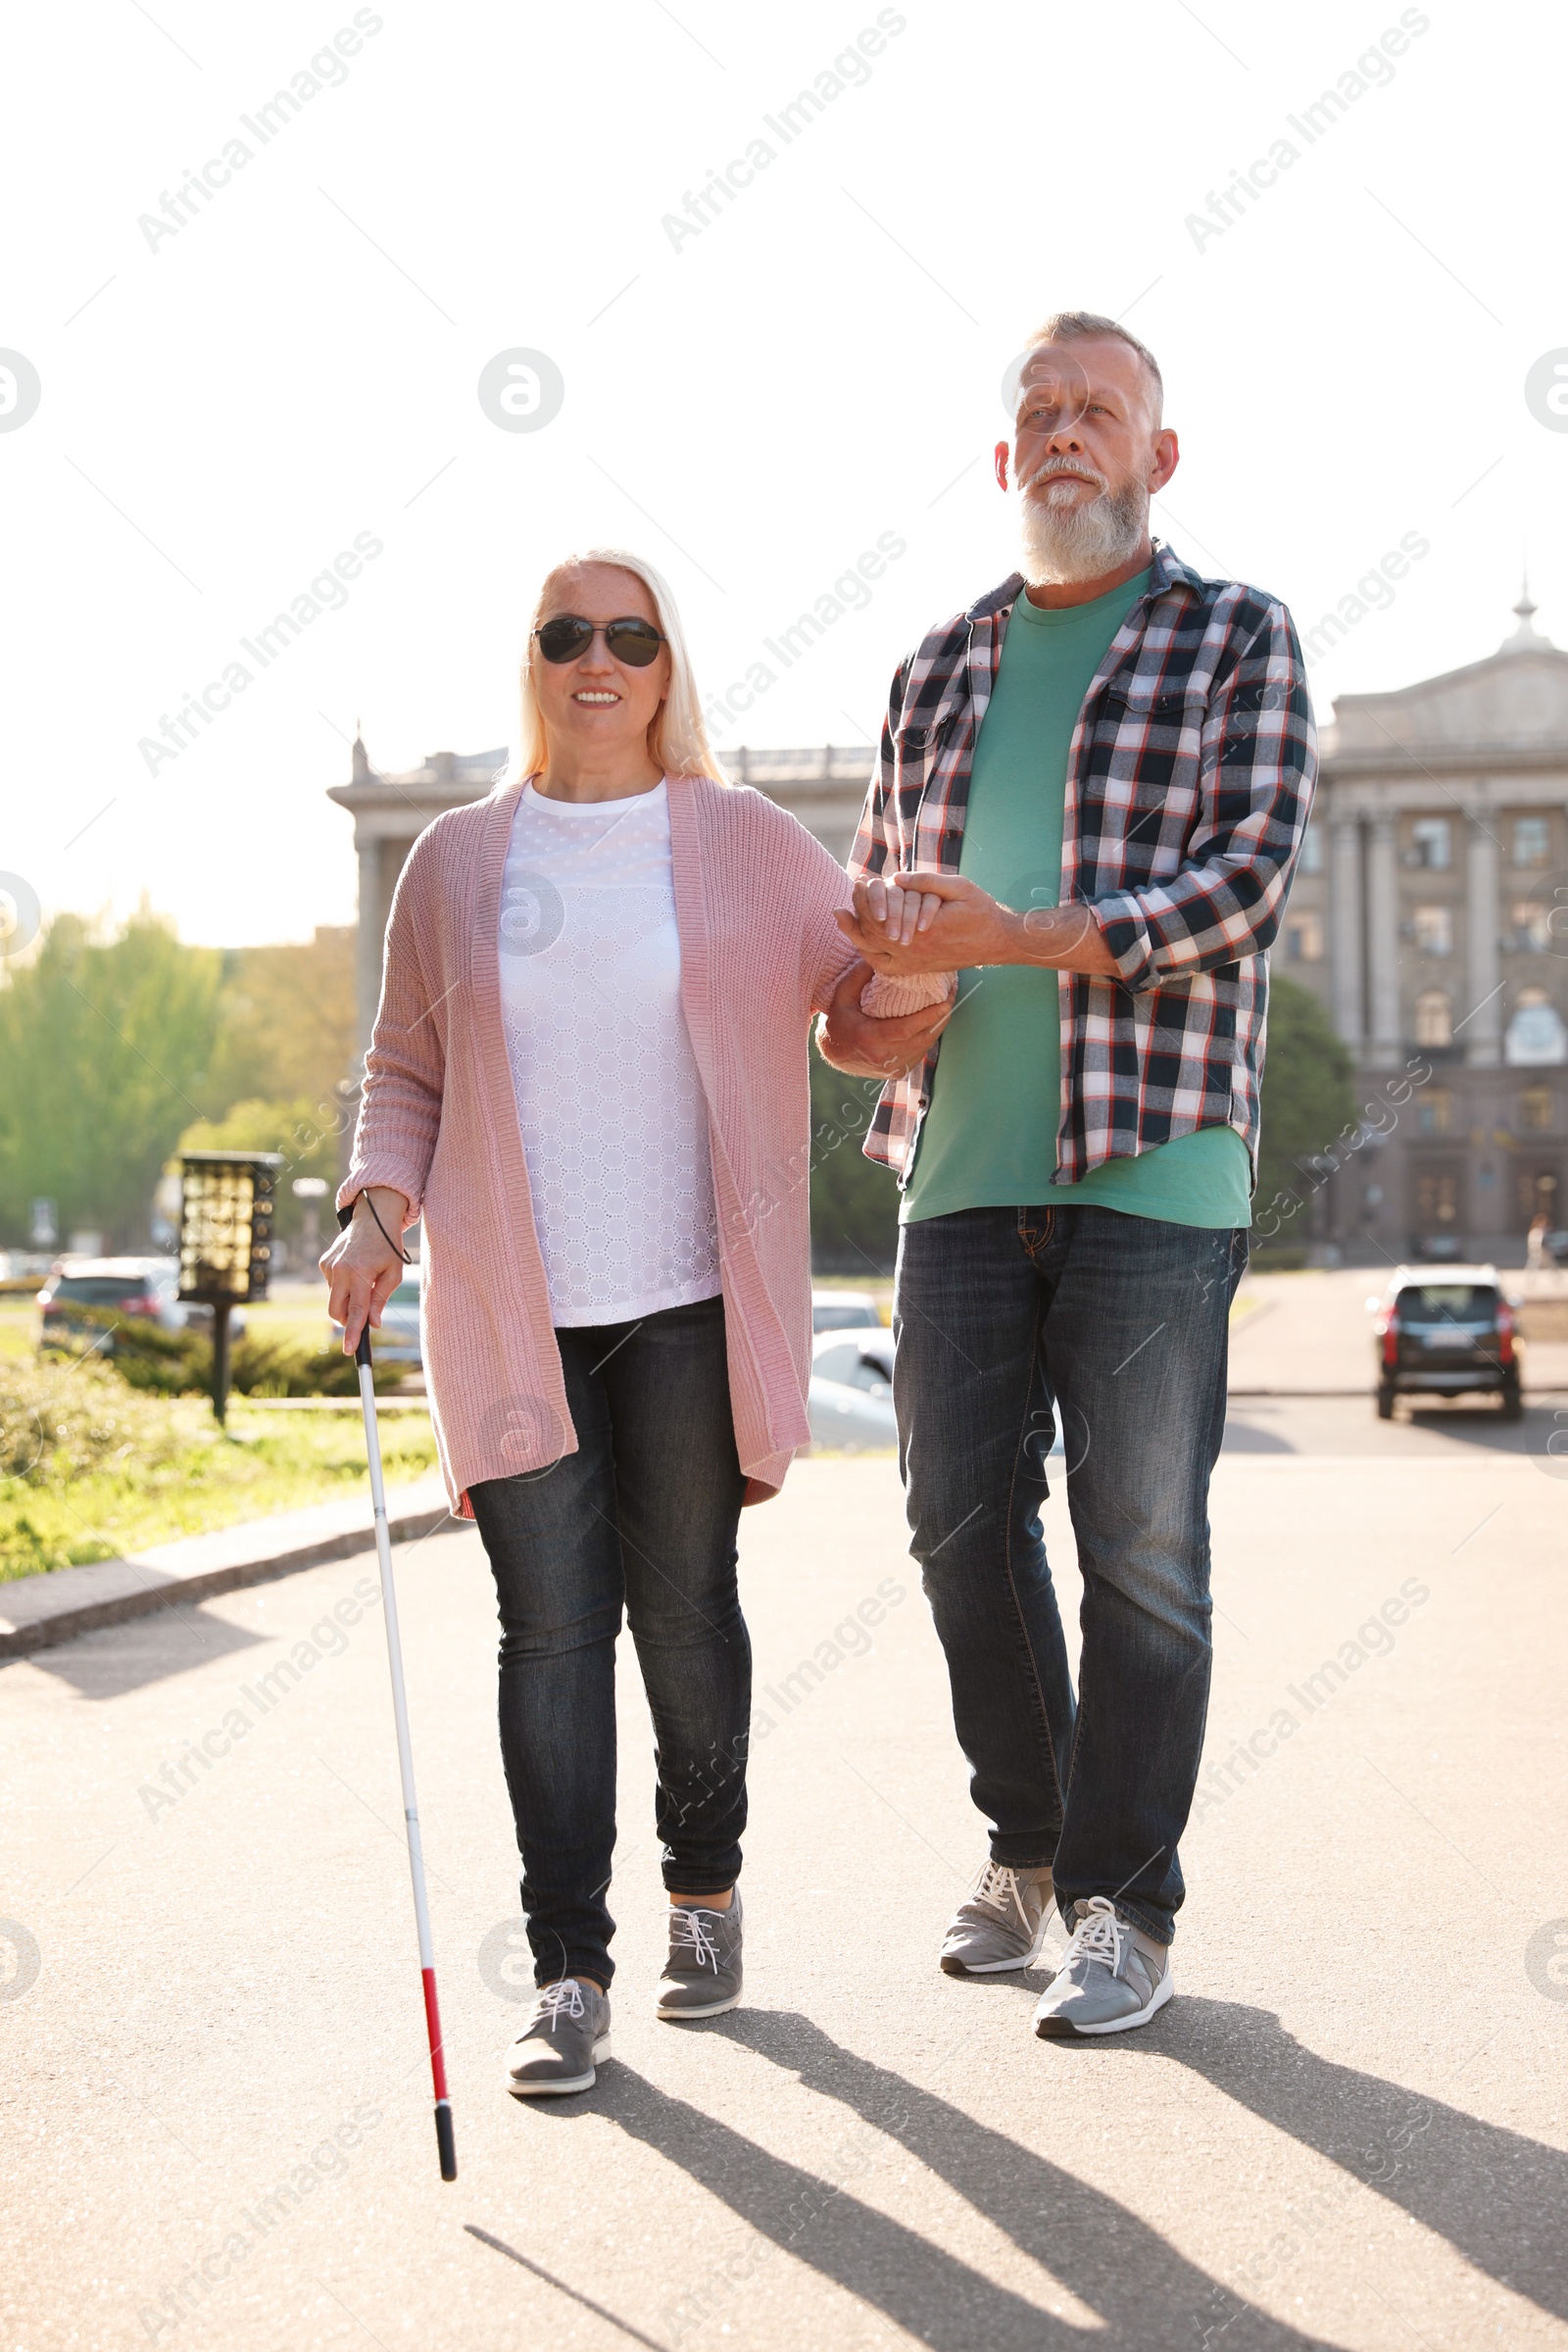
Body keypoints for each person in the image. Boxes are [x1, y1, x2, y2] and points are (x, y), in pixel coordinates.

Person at [817, 312, 1317, 2039]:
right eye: (1038, 409)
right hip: (955, 1170)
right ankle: (1027, 1852)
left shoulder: (1235, 639)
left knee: (1144, 1554)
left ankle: (1124, 1907)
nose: (1064, 431)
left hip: (1156, 1169)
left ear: (1158, 457)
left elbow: (1240, 886)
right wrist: (869, 1010)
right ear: (1004, 453)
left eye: (1097, 409)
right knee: (957, 1522)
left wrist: (1019, 935)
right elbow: (888, 935)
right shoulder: (936, 667)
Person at [322, 549, 867, 2097]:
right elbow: (405, 1073)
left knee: (686, 1616)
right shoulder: (456, 861)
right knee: (551, 1632)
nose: (599, 657)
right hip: (512, 1310)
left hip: (693, 1302)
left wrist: (925, 975)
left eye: (630, 633)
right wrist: (375, 1205)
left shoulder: (746, 841)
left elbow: (859, 999)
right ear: (535, 663)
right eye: (568, 634)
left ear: (668, 662)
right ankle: (568, 1969)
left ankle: (706, 1893)